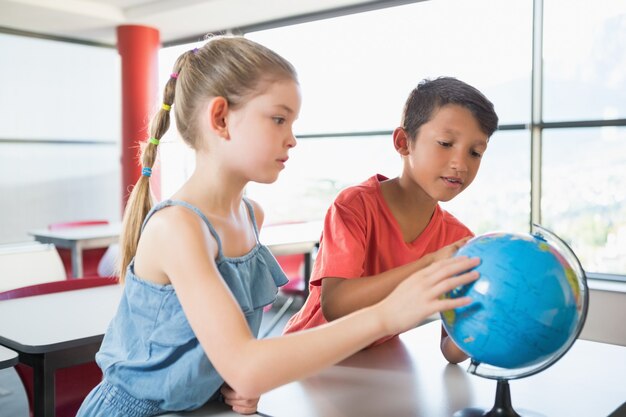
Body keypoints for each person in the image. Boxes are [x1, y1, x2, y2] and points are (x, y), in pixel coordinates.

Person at [76, 37, 480, 417]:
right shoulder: (177, 228)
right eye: (278, 119)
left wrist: (224, 381)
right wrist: (387, 314)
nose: (292, 139)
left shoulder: (251, 216)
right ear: (220, 117)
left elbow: (222, 351)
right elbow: (246, 365)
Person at [284, 77, 499, 364]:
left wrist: (487, 317)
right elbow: (336, 305)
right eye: (446, 143)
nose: (461, 164)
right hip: (304, 361)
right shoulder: (355, 206)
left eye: (476, 152)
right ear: (403, 142)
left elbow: (451, 350)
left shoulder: (457, 237)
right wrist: (428, 265)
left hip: (376, 364)